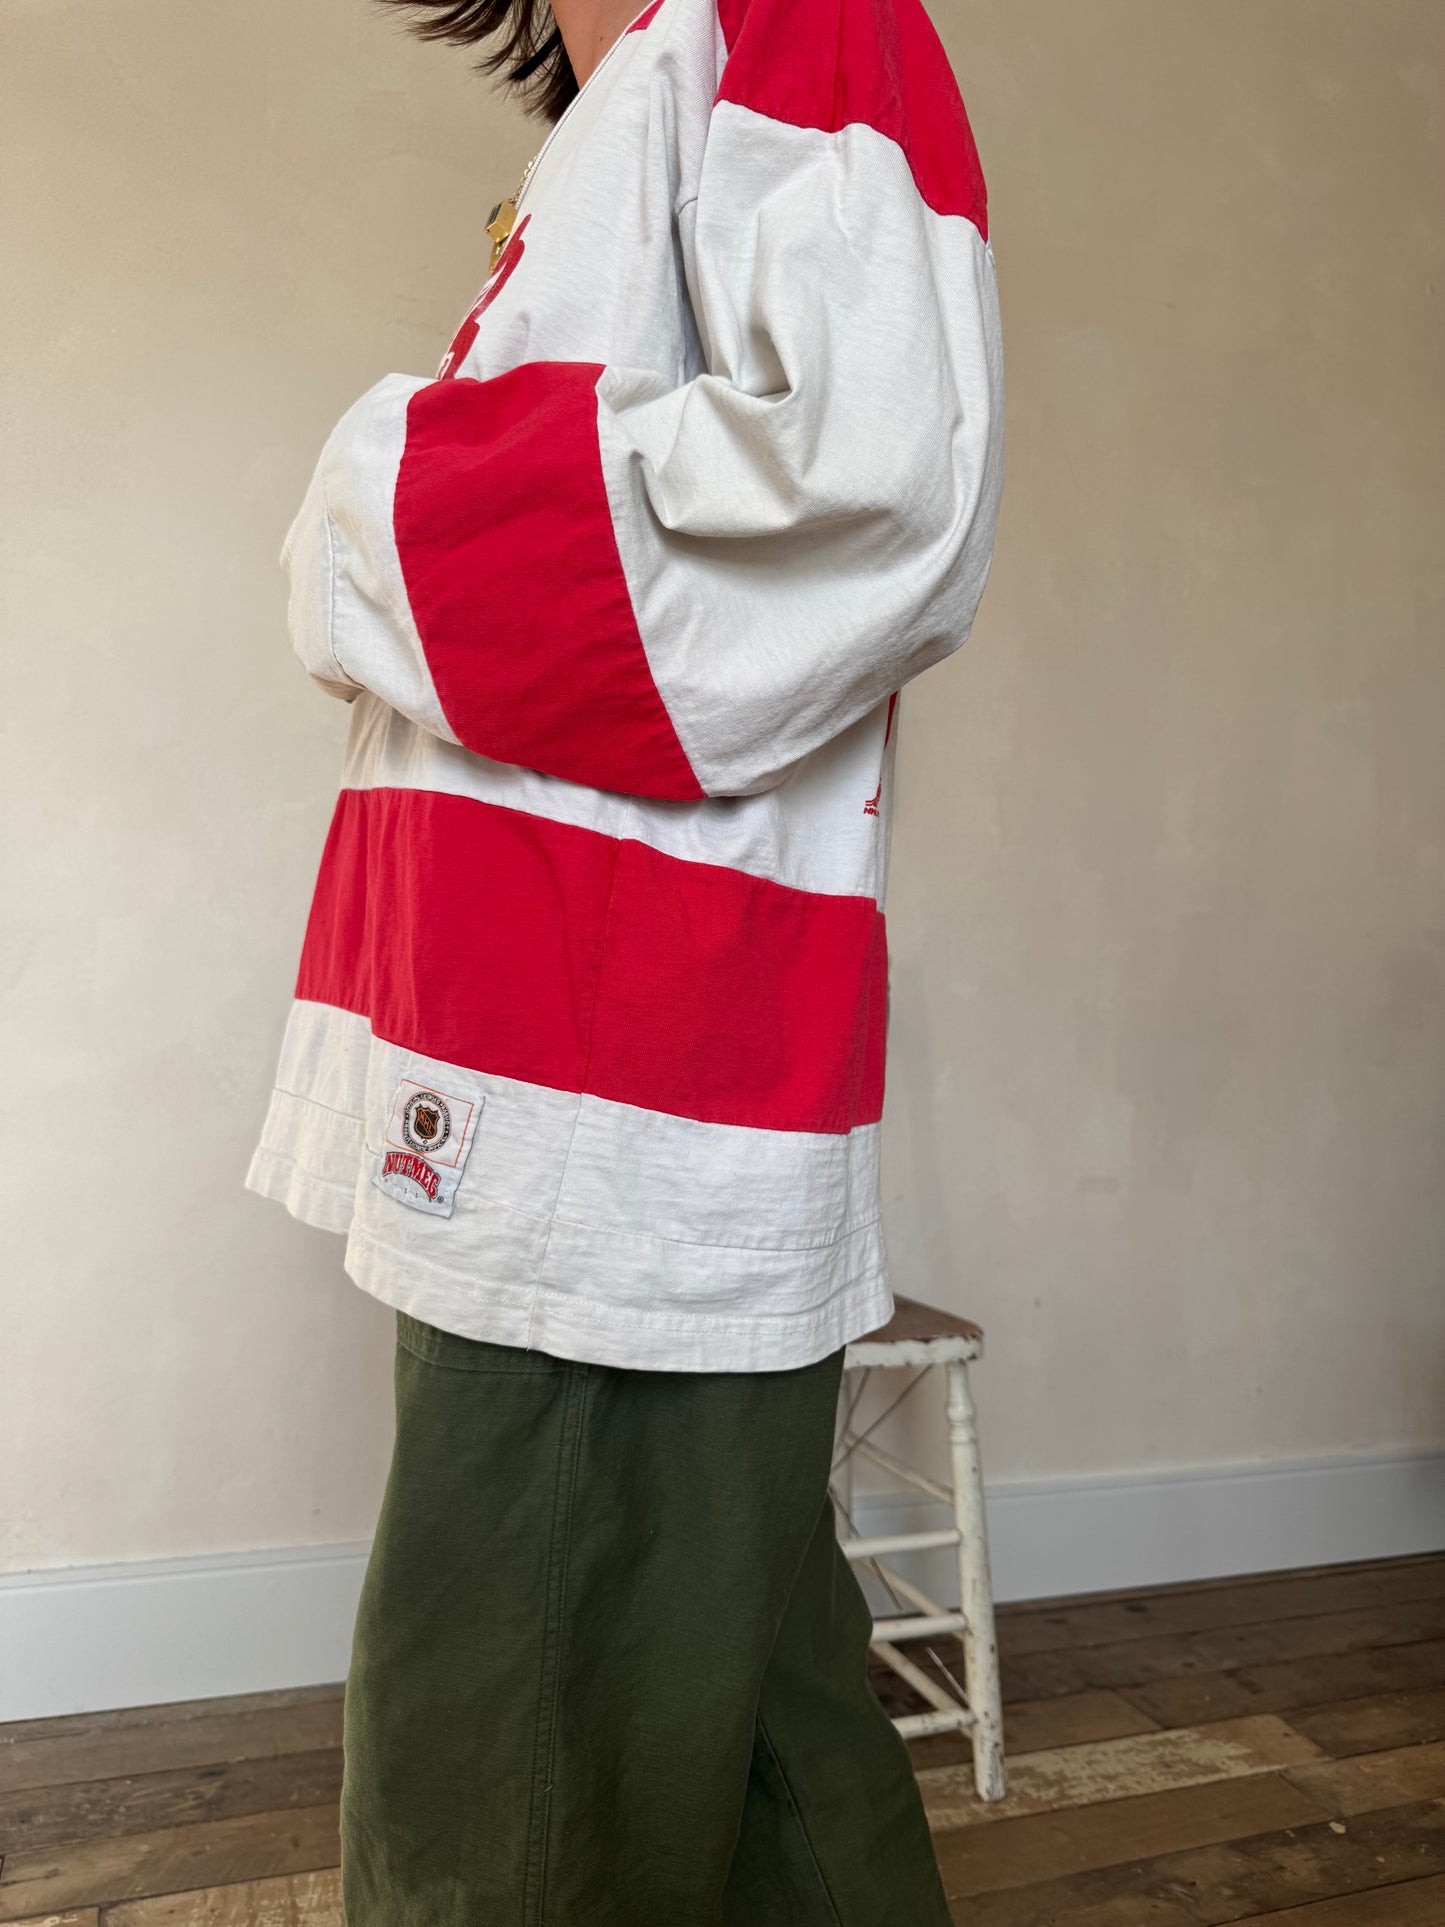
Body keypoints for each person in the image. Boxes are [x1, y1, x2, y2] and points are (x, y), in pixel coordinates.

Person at [247, 0, 1003, 1912]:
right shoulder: (647, 78)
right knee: (730, 1708)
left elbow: (868, 490)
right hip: (547, 1034)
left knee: (509, 1759)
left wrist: (370, 495)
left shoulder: (792, 19)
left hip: (610, 1066)